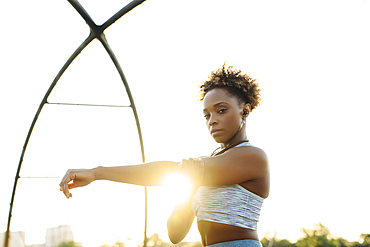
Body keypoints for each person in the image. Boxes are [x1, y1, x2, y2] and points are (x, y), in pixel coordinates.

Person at [59, 64, 270, 247]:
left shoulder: (253, 157)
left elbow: (168, 171)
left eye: (221, 110)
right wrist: (189, 188)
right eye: (207, 115)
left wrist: (97, 173)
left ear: (245, 110)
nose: (212, 120)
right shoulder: (203, 169)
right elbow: (175, 234)